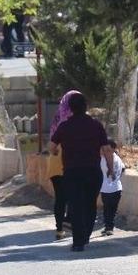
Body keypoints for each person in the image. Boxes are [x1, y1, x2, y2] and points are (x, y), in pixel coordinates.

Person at [50, 93, 113, 252]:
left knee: (76, 205)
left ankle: (78, 242)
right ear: (86, 107)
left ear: (70, 108)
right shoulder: (96, 125)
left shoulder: (64, 126)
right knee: (90, 204)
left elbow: (52, 146)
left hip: (72, 173)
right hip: (93, 172)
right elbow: (106, 149)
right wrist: (111, 169)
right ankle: (85, 236)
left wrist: (56, 152)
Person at [47, 90, 80, 240]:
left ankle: (59, 229)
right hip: (70, 160)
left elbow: (51, 142)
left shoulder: (57, 118)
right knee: (74, 194)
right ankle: (70, 221)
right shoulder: (77, 119)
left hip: (54, 160)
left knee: (60, 197)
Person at [100, 140, 125, 236]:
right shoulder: (118, 158)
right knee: (110, 209)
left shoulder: (104, 159)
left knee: (109, 209)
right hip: (114, 187)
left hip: (109, 188)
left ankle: (109, 227)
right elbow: (123, 169)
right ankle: (108, 227)